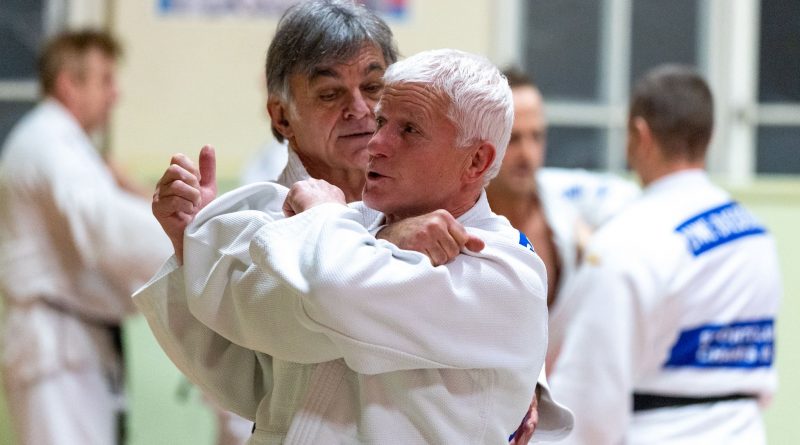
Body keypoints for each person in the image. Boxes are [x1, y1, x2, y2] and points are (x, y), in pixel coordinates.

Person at [134, 47, 576, 443]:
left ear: (476, 160)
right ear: (281, 115)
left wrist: (321, 218)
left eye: (408, 130)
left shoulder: (496, 268)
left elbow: (333, 291)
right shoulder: (339, 228)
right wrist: (199, 241)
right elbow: (245, 312)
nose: (375, 142)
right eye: (383, 121)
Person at [548, 65, 781, 444]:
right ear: (709, 136)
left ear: (640, 135)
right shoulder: (755, 234)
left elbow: (589, 397)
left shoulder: (626, 242)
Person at [0, 30, 172, 444]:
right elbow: (103, 225)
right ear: (68, 84)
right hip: (55, 346)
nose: (115, 94)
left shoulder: (65, 144)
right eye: (105, 80)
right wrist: (190, 235)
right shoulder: (50, 142)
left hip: (70, 340)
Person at [486, 68, 639, 369]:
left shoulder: (561, 206)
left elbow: (637, 201)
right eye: (513, 139)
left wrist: (598, 249)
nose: (528, 154)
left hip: (561, 399)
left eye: (537, 137)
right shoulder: (459, 221)